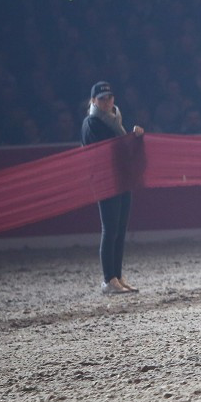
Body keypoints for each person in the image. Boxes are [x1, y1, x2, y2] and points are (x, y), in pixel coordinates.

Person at [81, 81, 144, 294]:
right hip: (106, 181)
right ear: (93, 101)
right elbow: (109, 150)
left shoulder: (115, 119)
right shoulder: (92, 123)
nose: (106, 102)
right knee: (110, 230)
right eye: (101, 99)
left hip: (122, 179)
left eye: (109, 97)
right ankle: (109, 278)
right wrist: (131, 139)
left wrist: (134, 139)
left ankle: (117, 275)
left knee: (119, 230)